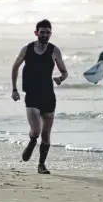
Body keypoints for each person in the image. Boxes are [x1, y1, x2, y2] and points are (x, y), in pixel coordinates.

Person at [10, 19, 68, 174]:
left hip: (48, 96)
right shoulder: (27, 49)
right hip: (32, 96)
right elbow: (15, 67)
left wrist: (60, 79)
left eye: (48, 32)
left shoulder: (54, 51)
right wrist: (14, 89)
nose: (45, 35)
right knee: (36, 130)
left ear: (50, 34)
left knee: (46, 134)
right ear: (36, 33)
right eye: (42, 32)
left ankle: (41, 165)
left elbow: (64, 72)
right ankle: (31, 140)